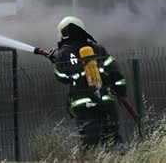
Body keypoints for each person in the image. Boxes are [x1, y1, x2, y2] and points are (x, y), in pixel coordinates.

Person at [47, 16, 128, 148]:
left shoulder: (63, 54)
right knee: (112, 138)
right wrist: (122, 94)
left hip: (84, 105)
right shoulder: (99, 49)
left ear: (65, 33)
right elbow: (115, 73)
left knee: (90, 140)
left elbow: (62, 77)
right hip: (105, 101)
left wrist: (56, 61)